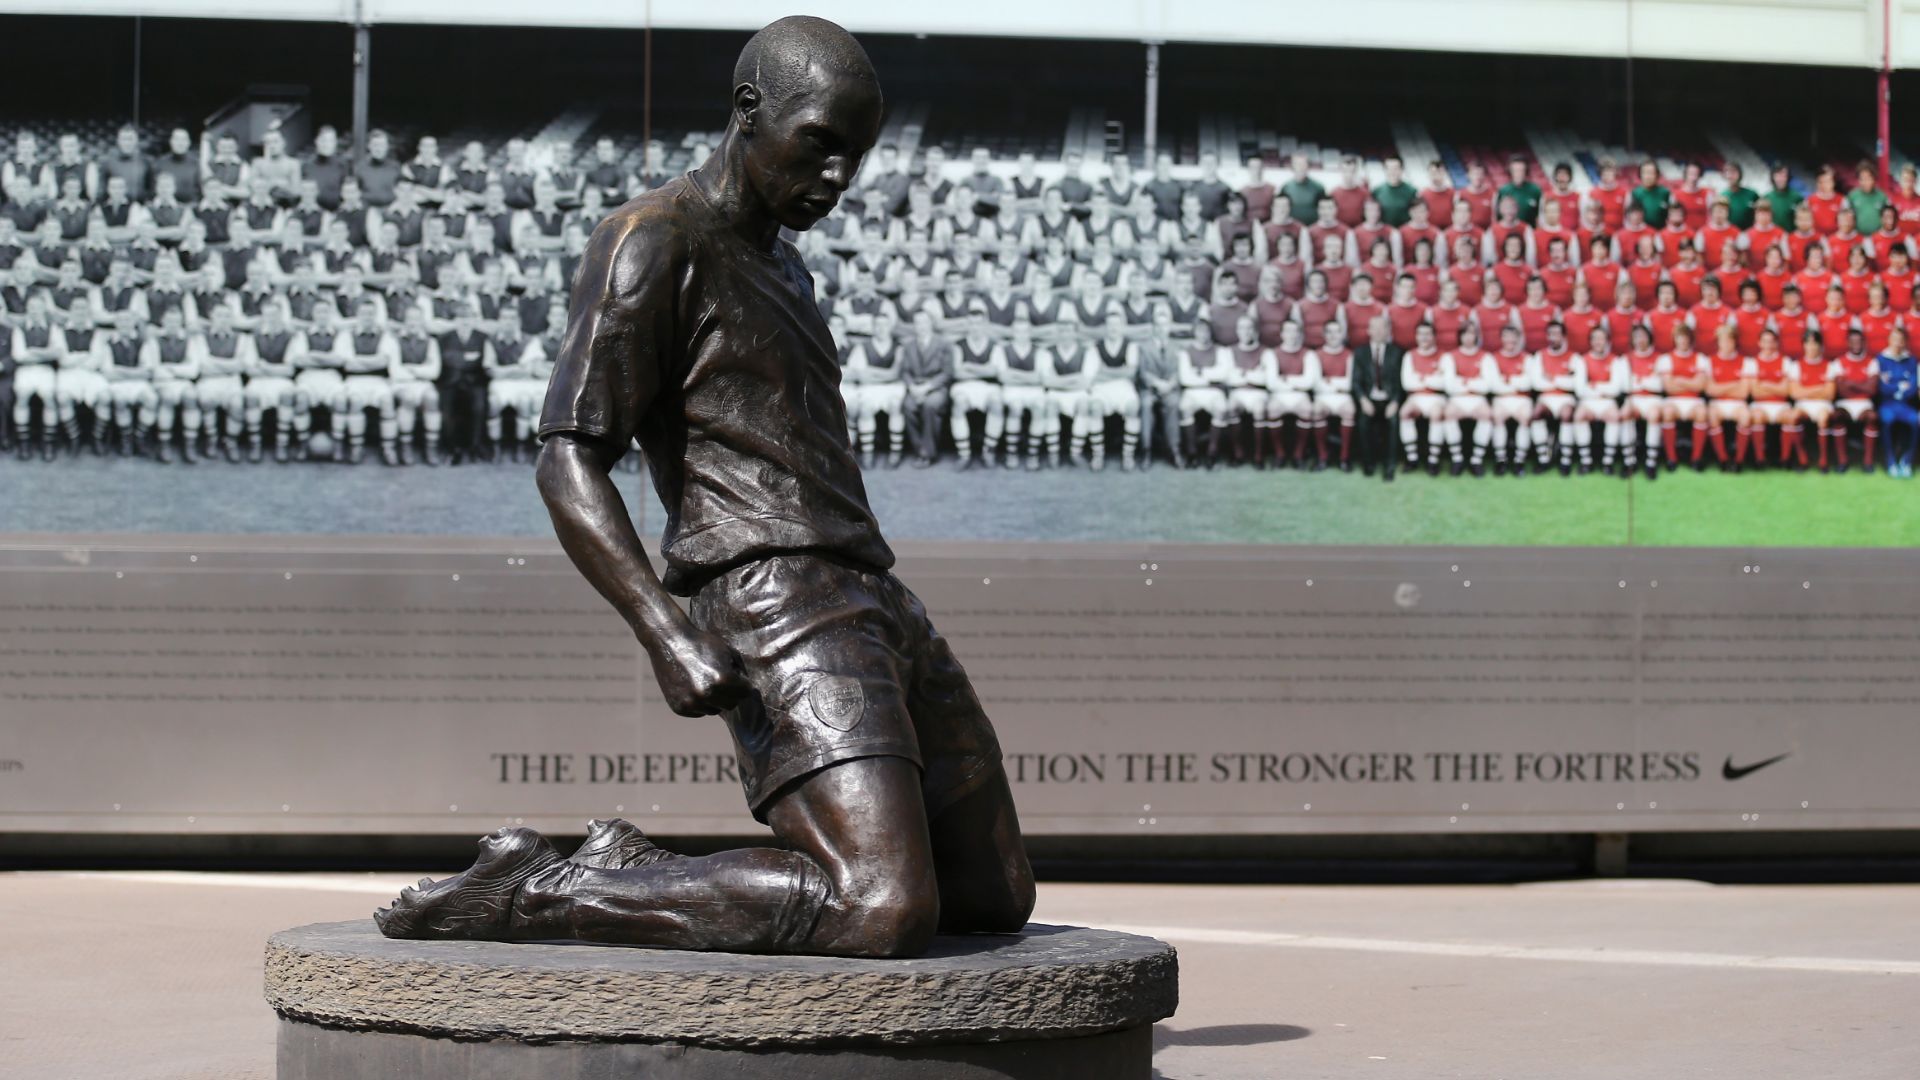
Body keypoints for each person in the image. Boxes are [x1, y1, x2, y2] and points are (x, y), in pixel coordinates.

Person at [1352, 314, 1403, 479]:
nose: (1379, 332)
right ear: (1369, 330)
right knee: (1363, 421)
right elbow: (1356, 382)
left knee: (1394, 422)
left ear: (1389, 331)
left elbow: (1400, 382)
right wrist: (1363, 400)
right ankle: (1368, 463)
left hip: (1389, 400)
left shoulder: (1397, 352)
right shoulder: (1360, 352)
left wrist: (1395, 402)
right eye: (1375, 328)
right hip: (1369, 398)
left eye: (1383, 328)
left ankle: (1390, 465)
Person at [1876, 325, 1918, 476]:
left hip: (1905, 405)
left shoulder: (1911, 360)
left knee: (1916, 421)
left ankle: (1906, 462)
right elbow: (1881, 387)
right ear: (1889, 340)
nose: (1897, 343)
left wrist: (1892, 385)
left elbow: (1913, 388)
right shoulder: (1880, 359)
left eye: (1901, 340)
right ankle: (1891, 461)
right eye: (1895, 339)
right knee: (1887, 420)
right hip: (1888, 404)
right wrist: (1901, 386)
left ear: (1905, 342)